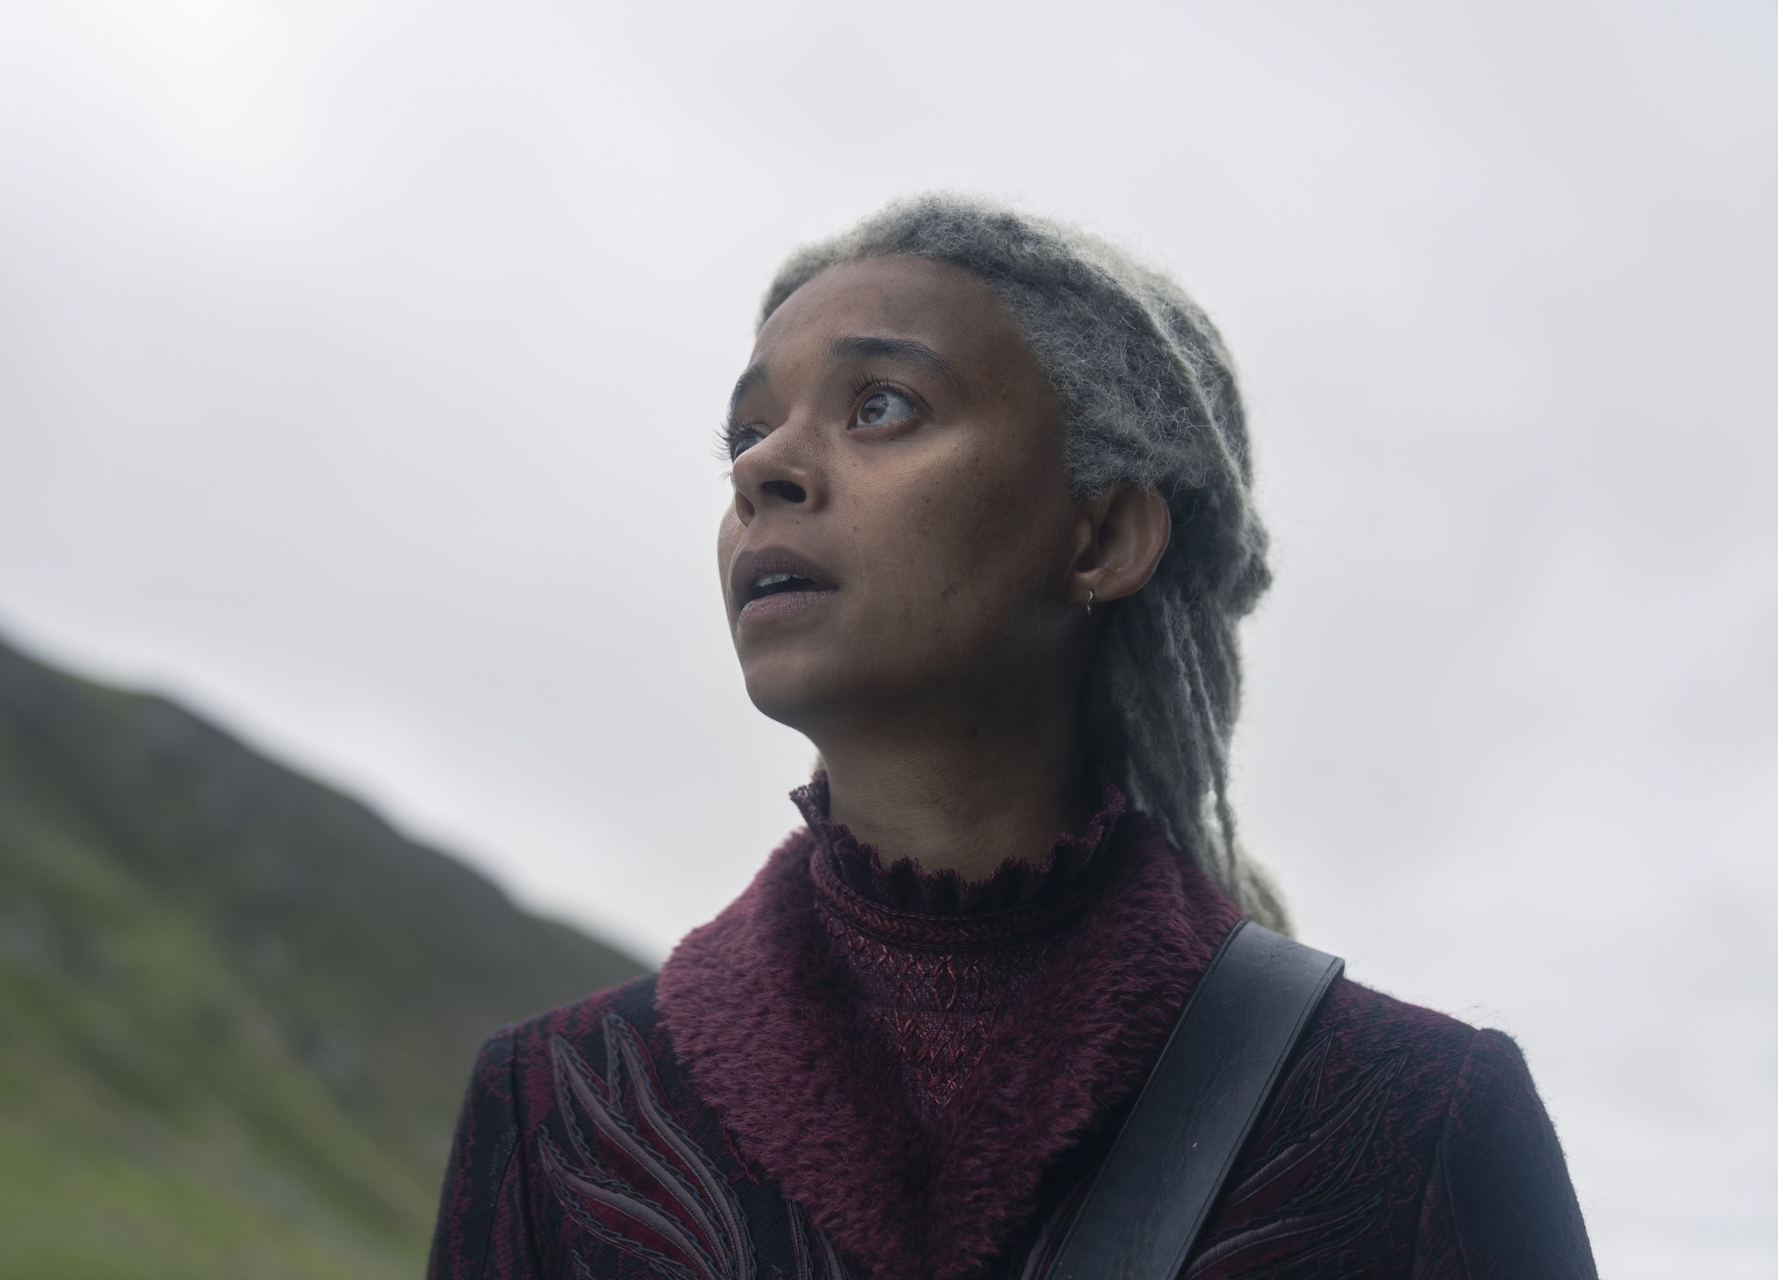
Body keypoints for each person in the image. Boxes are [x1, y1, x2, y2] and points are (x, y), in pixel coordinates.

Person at [426, 196, 1598, 1280]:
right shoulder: (553, 1110)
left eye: (879, 405)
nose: (762, 468)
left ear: (1103, 539)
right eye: (744, 431)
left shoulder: (1418, 1118)